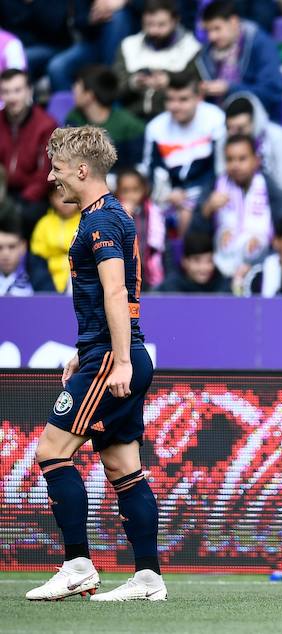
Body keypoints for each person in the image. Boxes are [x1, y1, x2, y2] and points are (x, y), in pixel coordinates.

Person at [26, 126, 165, 602]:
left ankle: (77, 565)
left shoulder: (100, 222)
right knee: (123, 464)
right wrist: (83, 351)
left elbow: (115, 293)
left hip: (114, 358)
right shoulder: (112, 216)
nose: (51, 177)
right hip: (110, 353)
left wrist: (116, 360)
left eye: (59, 169)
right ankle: (148, 577)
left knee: (51, 451)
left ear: (82, 170)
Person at [192, 134, 282, 277]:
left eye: (242, 159)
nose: (235, 165)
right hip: (218, 269)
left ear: (256, 160)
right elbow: (193, 238)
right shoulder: (214, 187)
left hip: (262, 268)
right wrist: (207, 209)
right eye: (230, 160)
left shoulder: (271, 190)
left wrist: (256, 261)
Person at [141, 70, 226, 234]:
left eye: (183, 99)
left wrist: (195, 200)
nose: (175, 106)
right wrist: (169, 194)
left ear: (198, 97)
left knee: (191, 214)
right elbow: (151, 170)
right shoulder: (155, 127)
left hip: (207, 191)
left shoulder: (215, 119)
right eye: (170, 100)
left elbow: (220, 169)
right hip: (170, 195)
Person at [196, 0, 282, 122]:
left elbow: (272, 93)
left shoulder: (261, 45)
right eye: (208, 31)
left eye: (217, 29)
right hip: (218, 123)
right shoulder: (206, 52)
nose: (212, 37)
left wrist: (229, 89)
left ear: (233, 22)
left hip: (260, 121)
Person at [223, 92, 282, 205]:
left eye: (240, 128)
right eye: (230, 128)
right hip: (255, 201)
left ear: (255, 122)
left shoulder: (280, 138)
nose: (234, 134)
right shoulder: (226, 140)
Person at [114, 0, 202, 121]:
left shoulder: (191, 48)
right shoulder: (128, 45)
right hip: (131, 117)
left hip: (172, 118)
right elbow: (114, 86)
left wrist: (170, 80)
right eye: (149, 24)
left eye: (161, 25)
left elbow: (197, 84)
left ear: (175, 21)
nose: (154, 30)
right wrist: (134, 82)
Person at [0, 69, 56, 238]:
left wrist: (23, 200)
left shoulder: (45, 125)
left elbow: (45, 173)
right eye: (6, 91)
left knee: (25, 215)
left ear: (29, 91)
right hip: (3, 191)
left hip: (32, 195)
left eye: (17, 90)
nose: (12, 97)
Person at [66, 65, 147, 169]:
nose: (73, 90)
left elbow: (137, 168)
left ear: (89, 95)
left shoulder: (130, 126)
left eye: (77, 85)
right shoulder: (74, 118)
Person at [46, 0, 136, 91]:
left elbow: (146, 6)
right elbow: (78, 21)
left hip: (129, 44)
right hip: (92, 42)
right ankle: (73, 105)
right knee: (57, 68)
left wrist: (124, 1)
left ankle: (109, 82)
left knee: (119, 16)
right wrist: (91, 19)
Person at [115, 168, 166, 289]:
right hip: (122, 274)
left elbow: (162, 248)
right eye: (125, 191)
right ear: (117, 192)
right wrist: (124, 216)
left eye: (135, 190)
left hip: (148, 274)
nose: (130, 195)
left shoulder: (154, 214)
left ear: (144, 190)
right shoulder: (112, 214)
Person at [0, 0, 70, 81]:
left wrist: (35, 3)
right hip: (14, 44)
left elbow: (55, 28)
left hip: (52, 45)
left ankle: (25, 92)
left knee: (24, 58)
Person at [29, 186, 82, 293]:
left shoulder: (86, 221)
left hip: (79, 277)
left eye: (71, 195)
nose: (66, 201)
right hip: (49, 280)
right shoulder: (44, 224)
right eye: (60, 196)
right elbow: (37, 259)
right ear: (51, 198)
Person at [155, 231, 231, 293]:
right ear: (184, 262)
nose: (204, 268)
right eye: (197, 261)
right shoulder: (170, 288)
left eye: (209, 261)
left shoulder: (223, 286)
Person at [0, 212, 34, 296]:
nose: (5, 254)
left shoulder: (38, 277)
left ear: (23, 246)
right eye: (0, 248)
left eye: (12, 247)